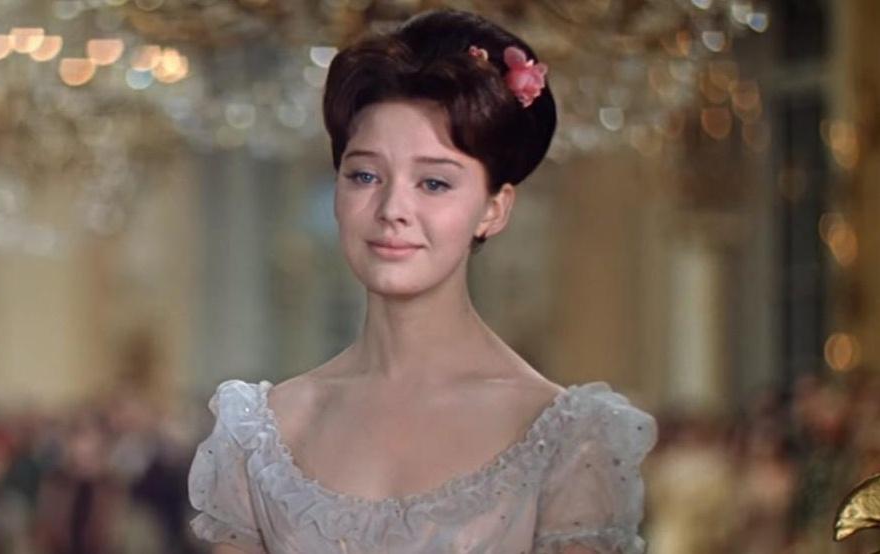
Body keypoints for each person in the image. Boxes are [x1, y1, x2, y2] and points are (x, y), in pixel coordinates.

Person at [187, 8, 656, 554]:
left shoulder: (567, 437)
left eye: (434, 183)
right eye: (365, 175)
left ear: (494, 209)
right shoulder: (261, 435)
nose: (393, 209)